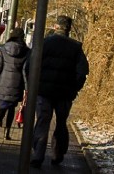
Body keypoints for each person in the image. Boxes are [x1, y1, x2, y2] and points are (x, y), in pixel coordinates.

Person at [30, 15, 90, 168]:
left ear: (55, 27)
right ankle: (57, 155)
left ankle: (38, 155)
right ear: (68, 29)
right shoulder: (76, 47)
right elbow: (82, 72)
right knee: (61, 123)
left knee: (43, 121)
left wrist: (33, 85)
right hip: (64, 94)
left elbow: (30, 64)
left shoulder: (45, 43)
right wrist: (74, 88)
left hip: (44, 91)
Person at [0, 27, 30, 141]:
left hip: (3, 81)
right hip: (17, 84)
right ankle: (7, 132)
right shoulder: (26, 51)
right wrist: (26, 88)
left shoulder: (3, 49)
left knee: (3, 106)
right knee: (12, 108)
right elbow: (25, 71)